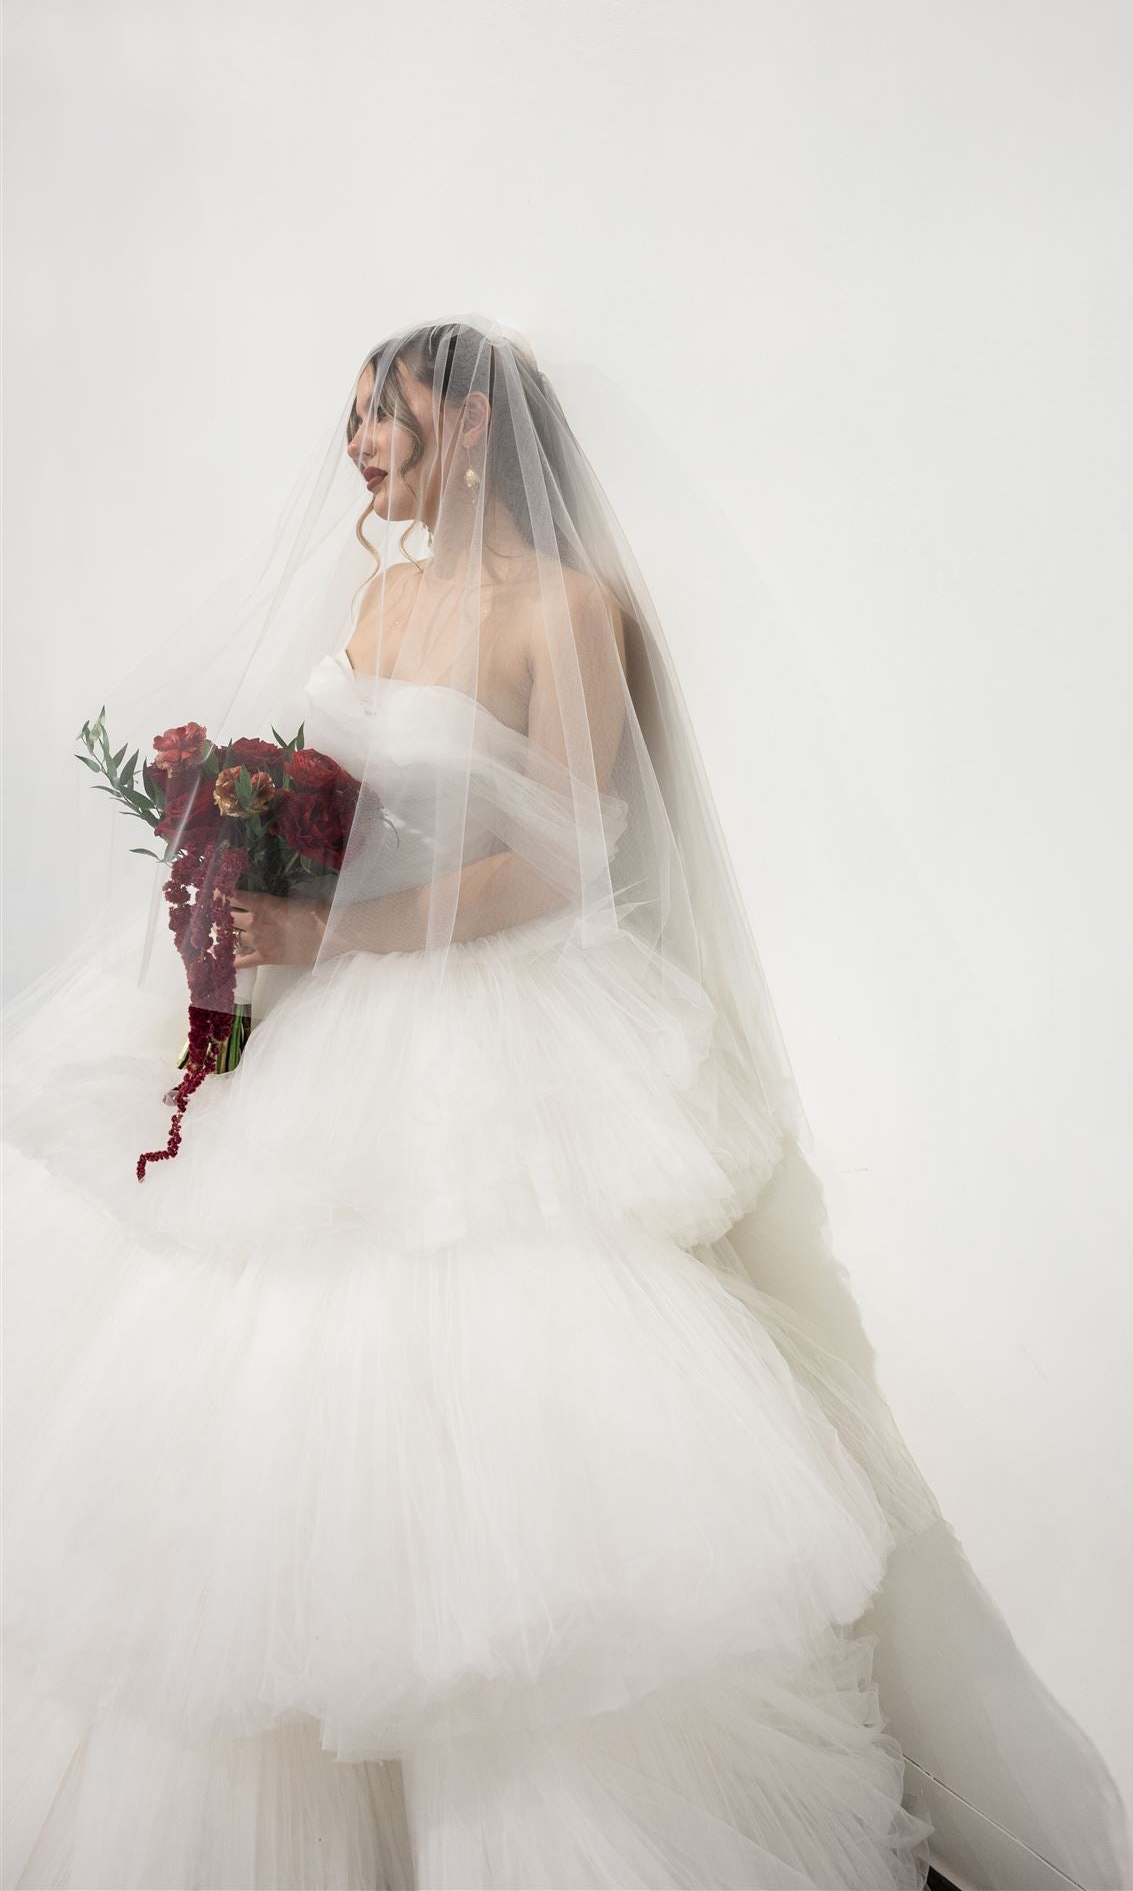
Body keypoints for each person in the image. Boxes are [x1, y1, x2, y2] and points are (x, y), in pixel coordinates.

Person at [1, 315, 938, 1889]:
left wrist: (328, 928)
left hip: (487, 1039)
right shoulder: (381, 593)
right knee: (273, 1399)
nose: (360, 448)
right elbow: (334, 799)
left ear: (476, 429)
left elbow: (570, 855)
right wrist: (250, 868)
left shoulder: (572, 611)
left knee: (492, 1418)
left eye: (389, 416)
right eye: (356, 421)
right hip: (331, 1025)